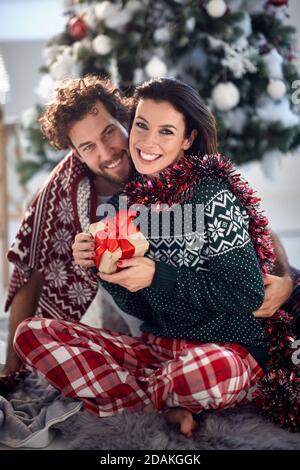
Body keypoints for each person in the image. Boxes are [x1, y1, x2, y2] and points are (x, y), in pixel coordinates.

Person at [14, 77, 290, 437]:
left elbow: (249, 292)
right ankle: (167, 398)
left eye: (165, 132)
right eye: (142, 126)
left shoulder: (210, 195)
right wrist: (105, 269)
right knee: (31, 334)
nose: (147, 142)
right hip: (158, 348)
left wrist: (158, 274)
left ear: (187, 139)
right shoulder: (119, 208)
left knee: (214, 369)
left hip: (223, 346)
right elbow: (143, 310)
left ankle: (134, 394)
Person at [0, 75, 142, 381]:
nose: (106, 153)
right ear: (75, 153)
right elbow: (30, 267)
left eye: (109, 133)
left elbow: (242, 213)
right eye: (89, 147)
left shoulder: (157, 156)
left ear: (124, 120)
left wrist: (275, 285)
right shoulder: (62, 188)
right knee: (31, 336)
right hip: (122, 321)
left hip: (184, 308)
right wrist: (12, 367)